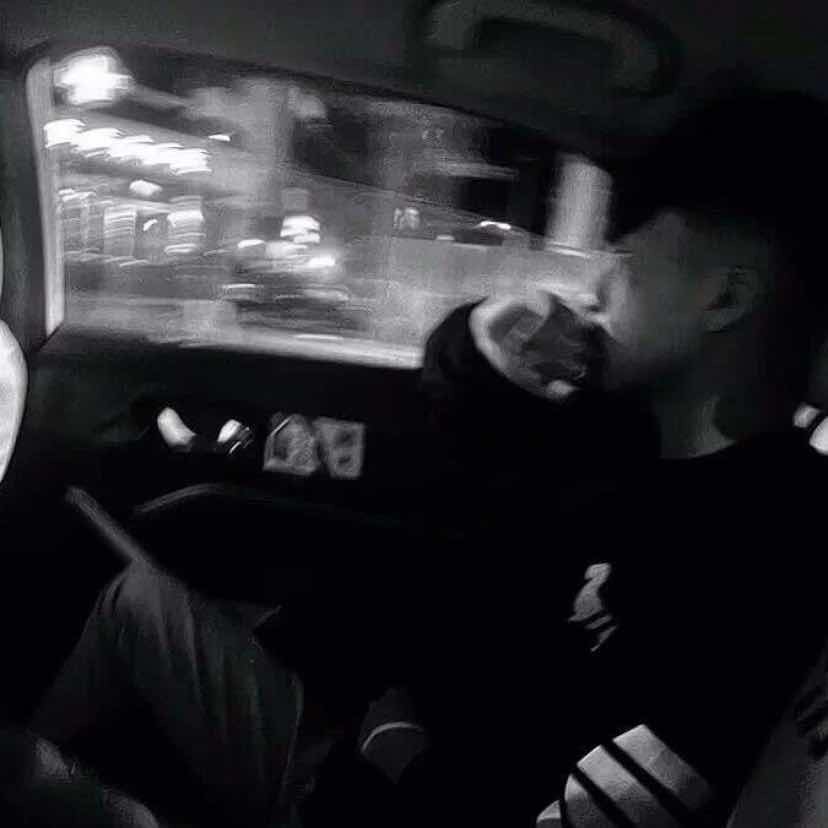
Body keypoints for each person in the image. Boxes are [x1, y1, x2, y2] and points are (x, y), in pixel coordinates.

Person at [28, 89, 828, 828]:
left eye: (631, 260)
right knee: (141, 599)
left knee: (102, 667)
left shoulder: (771, 553)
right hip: (382, 723)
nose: (596, 286)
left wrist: (402, 759)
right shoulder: (627, 437)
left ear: (726, 298)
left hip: (381, 793)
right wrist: (483, 340)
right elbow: (463, 431)